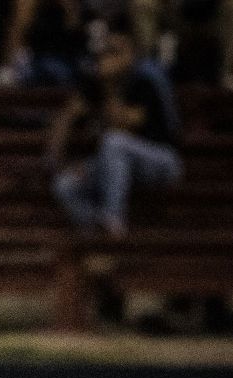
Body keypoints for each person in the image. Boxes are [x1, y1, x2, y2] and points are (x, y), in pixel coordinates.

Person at [46, 24, 183, 238]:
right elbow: (65, 118)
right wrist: (58, 162)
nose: (110, 58)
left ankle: (112, 218)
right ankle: (97, 234)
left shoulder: (145, 80)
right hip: (117, 162)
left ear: (132, 54)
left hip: (161, 160)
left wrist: (109, 86)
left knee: (114, 142)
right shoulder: (95, 83)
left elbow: (123, 123)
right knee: (64, 185)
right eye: (107, 51)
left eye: (117, 52)